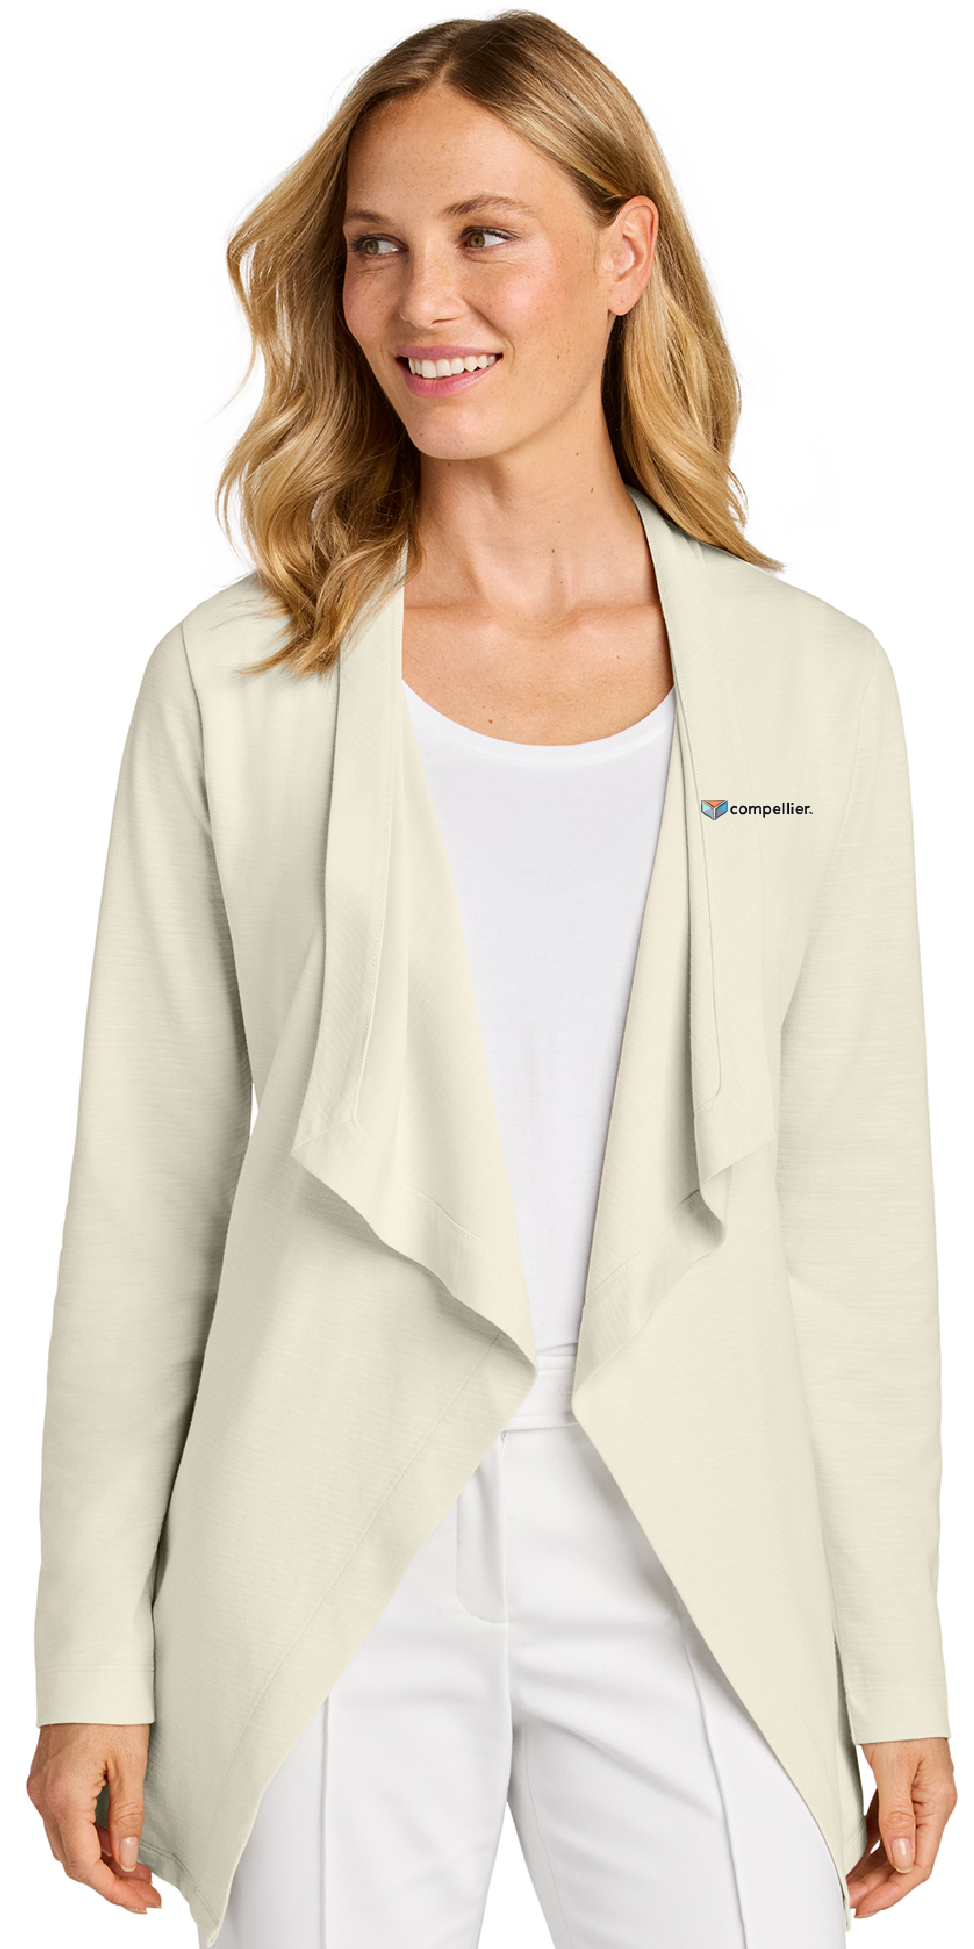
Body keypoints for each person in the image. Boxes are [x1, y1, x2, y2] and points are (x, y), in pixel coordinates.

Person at [28, 12, 956, 1946]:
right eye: (374, 246)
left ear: (624, 255)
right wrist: (90, 1651)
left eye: (482, 236)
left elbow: (851, 1214)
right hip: (319, 1521)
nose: (418, 302)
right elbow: (147, 1189)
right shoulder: (237, 681)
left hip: (699, 1530)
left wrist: (893, 1661)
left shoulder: (809, 683)